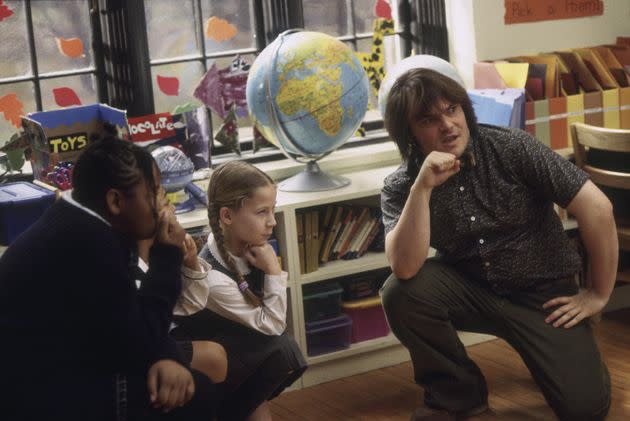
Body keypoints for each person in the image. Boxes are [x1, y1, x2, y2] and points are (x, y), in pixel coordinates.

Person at [379, 68, 616, 421]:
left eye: (452, 109)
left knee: (585, 409)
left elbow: (598, 209)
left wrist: (598, 294)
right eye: (429, 119)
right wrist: (422, 189)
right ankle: (459, 399)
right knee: (400, 292)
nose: (447, 125)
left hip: (544, 297)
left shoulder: (511, 147)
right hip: (471, 288)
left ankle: (572, 358)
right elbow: (405, 266)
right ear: (409, 132)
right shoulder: (401, 185)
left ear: (465, 111)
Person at [0, 138, 222, 420]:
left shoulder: (81, 217)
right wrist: (167, 256)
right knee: (194, 396)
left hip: (71, 367)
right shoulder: (87, 242)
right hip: (41, 395)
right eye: (153, 192)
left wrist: (169, 357)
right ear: (115, 201)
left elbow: (131, 317)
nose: (162, 200)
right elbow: (136, 345)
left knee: (189, 384)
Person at [169, 160, 307, 421]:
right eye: (262, 212)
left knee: (280, 358)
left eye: (273, 210)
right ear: (227, 216)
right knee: (281, 349)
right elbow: (274, 325)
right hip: (214, 366)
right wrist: (274, 273)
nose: (272, 222)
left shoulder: (248, 250)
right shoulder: (212, 278)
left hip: (239, 352)